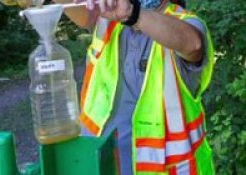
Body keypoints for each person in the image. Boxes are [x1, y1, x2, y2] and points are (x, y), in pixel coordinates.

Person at [56, 0, 215, 174]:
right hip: (100, 165)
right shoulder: (110, 22)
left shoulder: (185, 22)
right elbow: (83, 12)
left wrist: (133, 13)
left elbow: (193, 45)